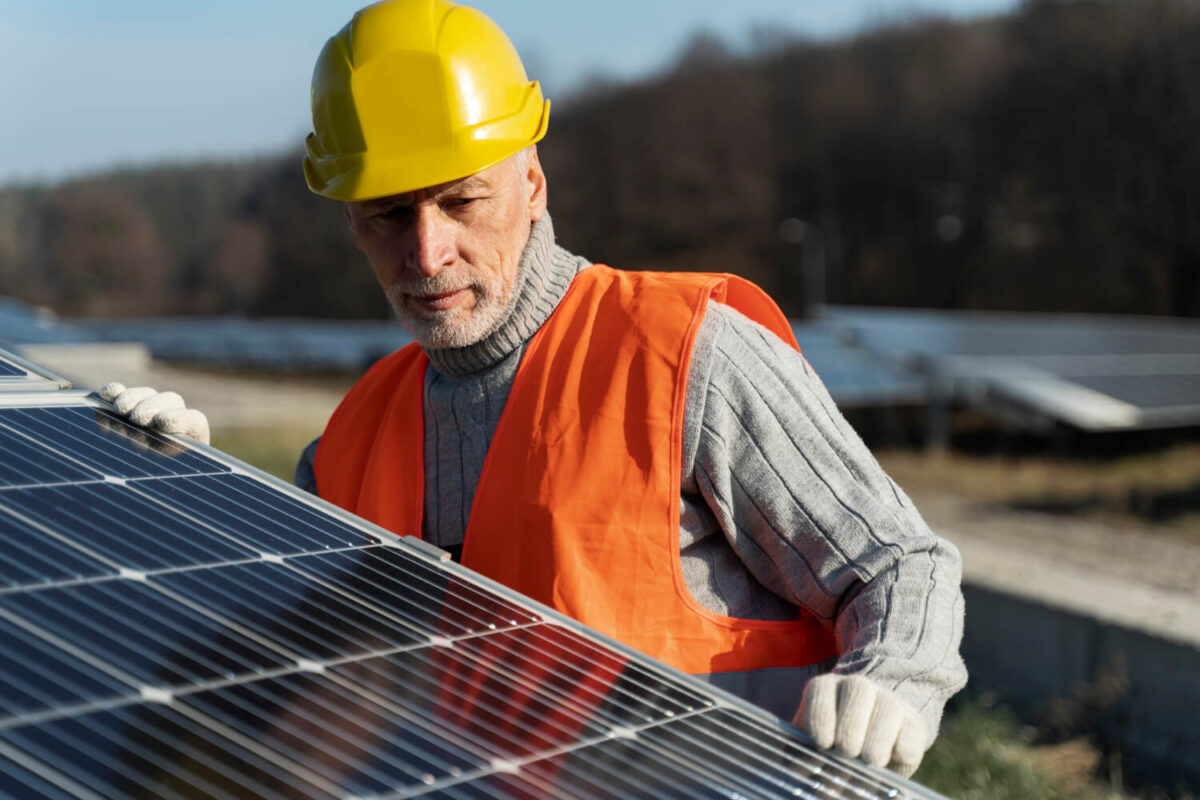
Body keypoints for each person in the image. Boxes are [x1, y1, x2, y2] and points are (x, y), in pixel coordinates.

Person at [103, 0, 966, 778]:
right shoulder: (349, 442)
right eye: (389, 215)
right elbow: (296, 678)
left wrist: (892, 680)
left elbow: (899, 565)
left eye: (461, 202)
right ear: (351, 221)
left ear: (533, 185)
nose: (427, 253)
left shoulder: (686, 353)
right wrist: (191, 496)